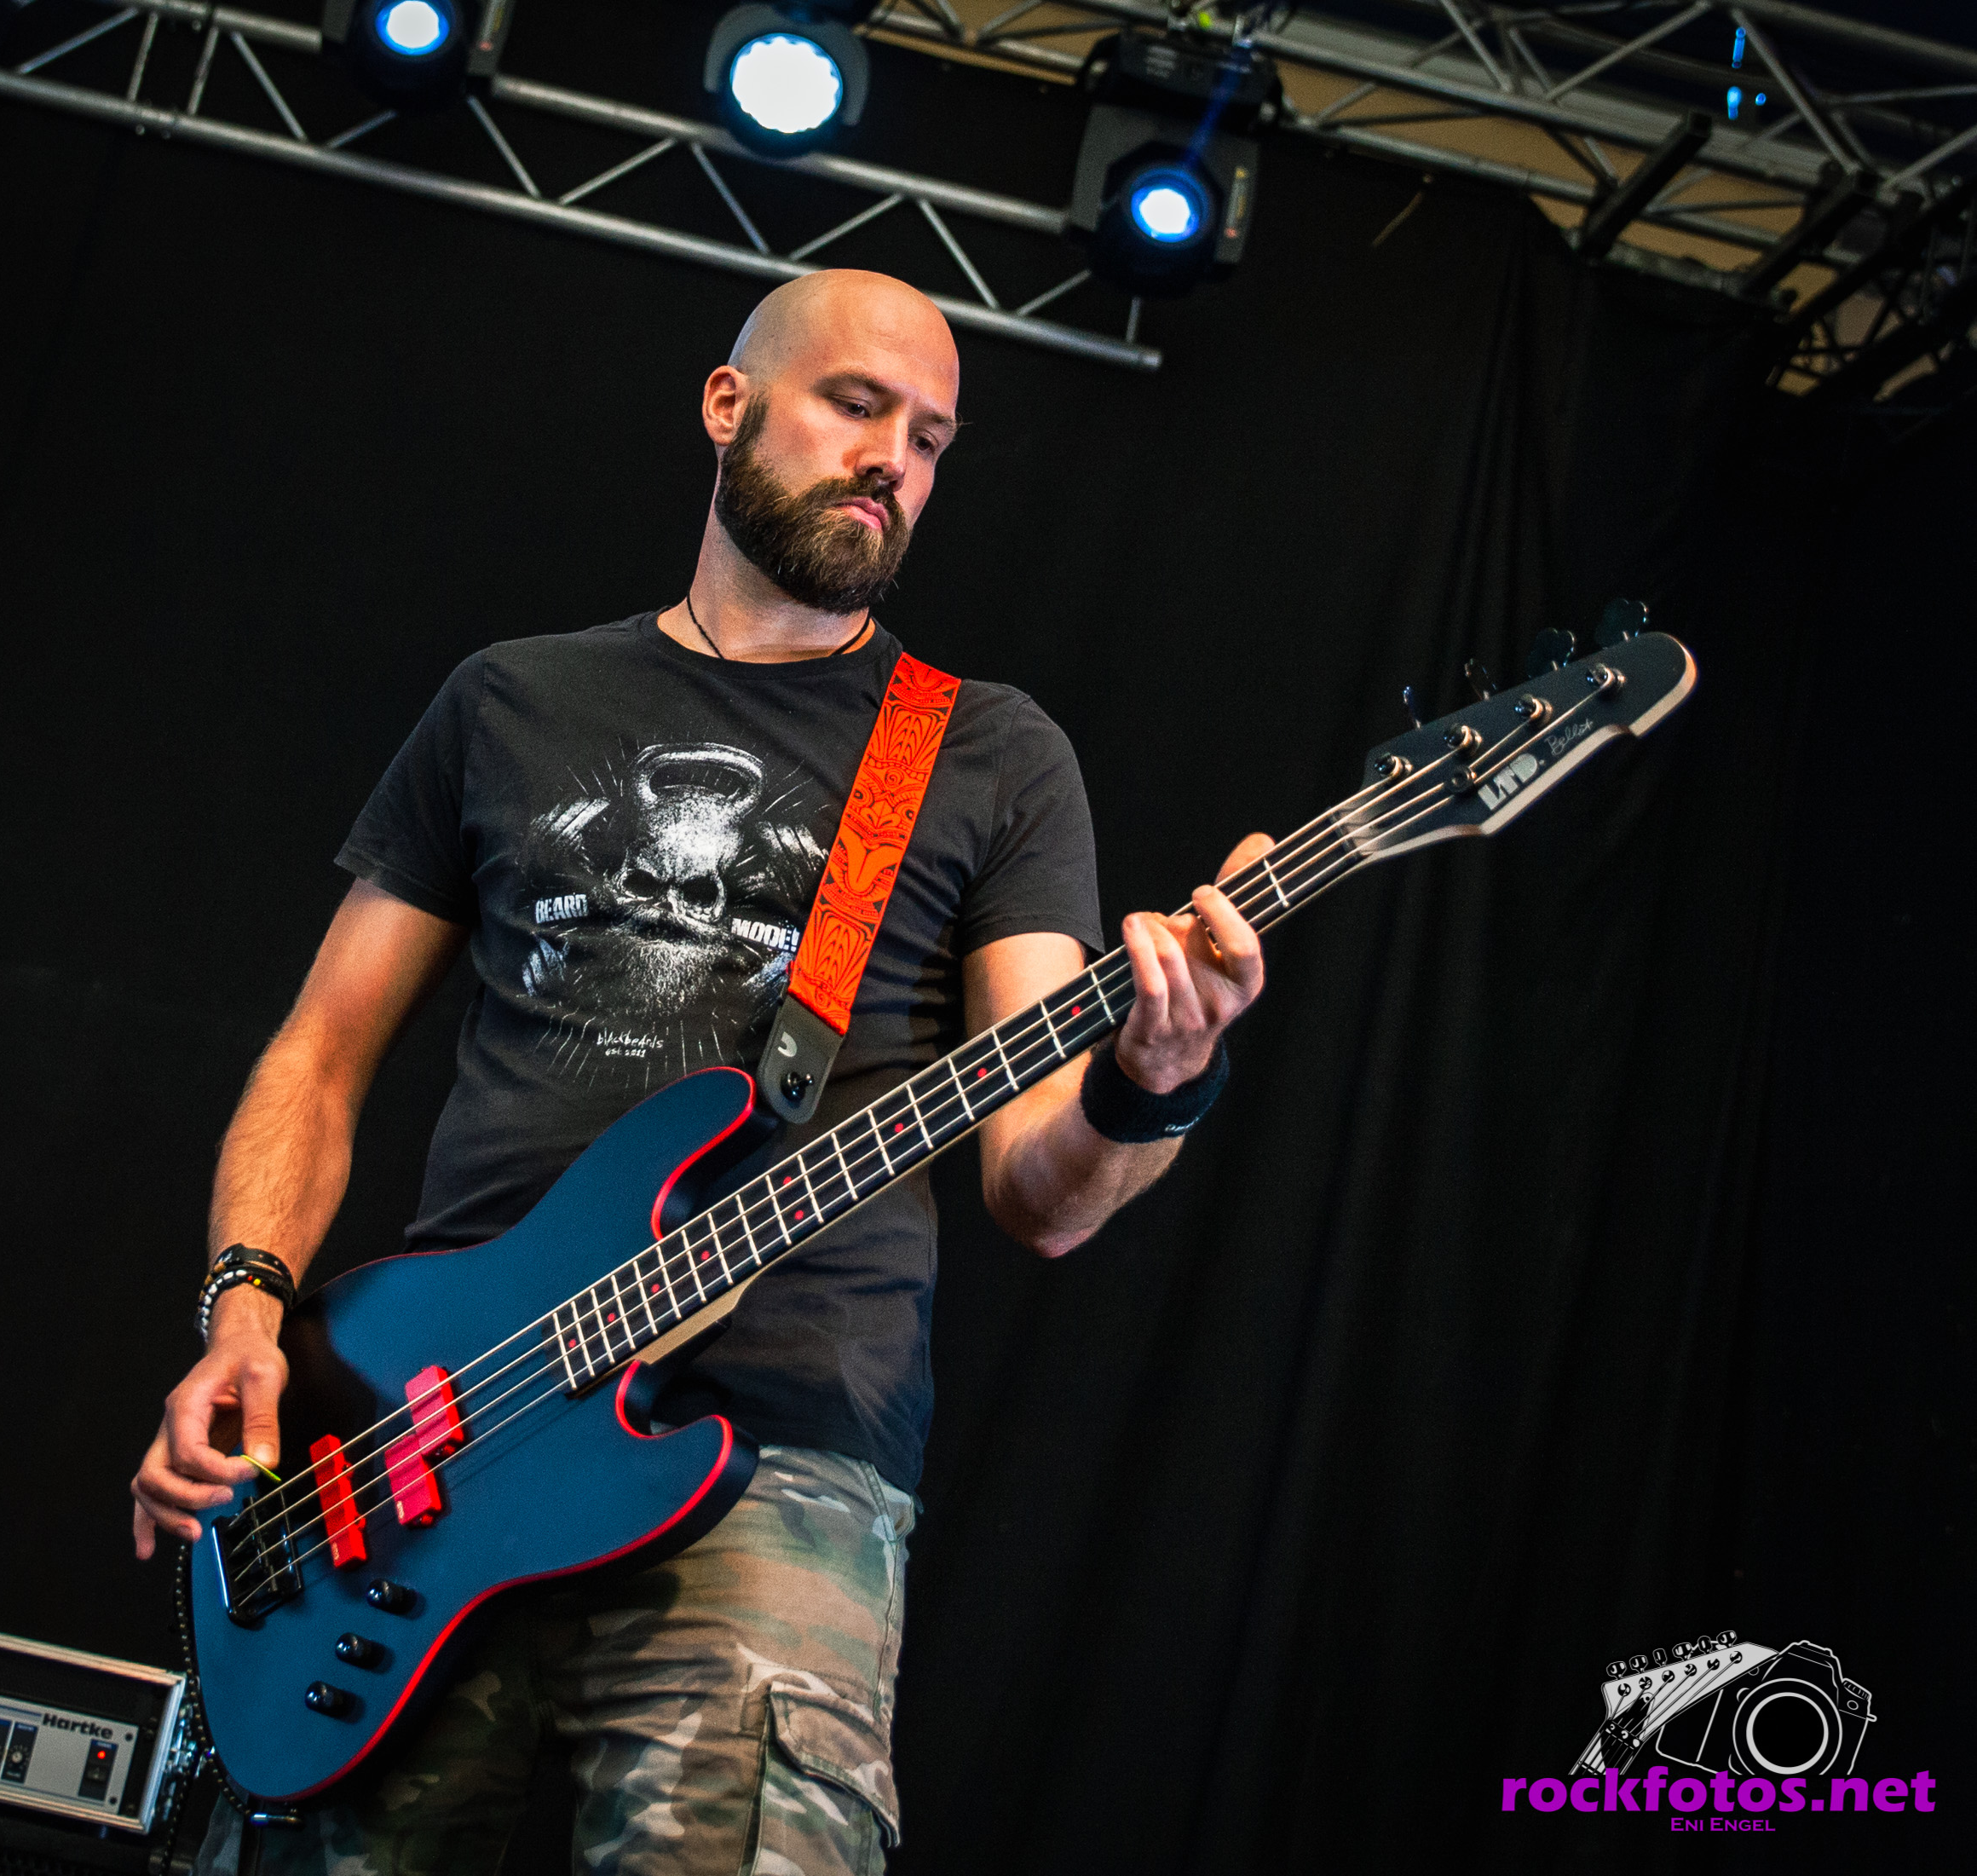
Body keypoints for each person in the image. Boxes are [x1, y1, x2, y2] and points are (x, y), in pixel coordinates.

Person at [131, 269, 1265, 1874]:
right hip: (419, 1438)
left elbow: (1042, 1187)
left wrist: (1157, 1078)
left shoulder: (990, 754)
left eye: (931, 440)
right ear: (729, 404)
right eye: (857, 406)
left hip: (781, 1461)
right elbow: (318, 1055)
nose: (893, 462)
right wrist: (246, 1317)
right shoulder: (511, 698)